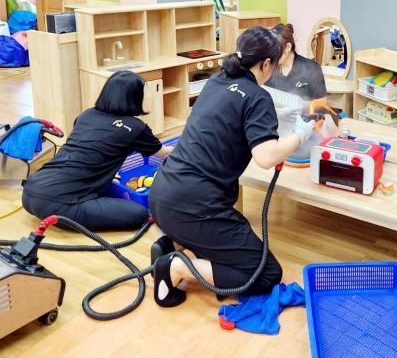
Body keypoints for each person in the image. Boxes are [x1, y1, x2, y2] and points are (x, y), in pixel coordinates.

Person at [147, 26, 316, 308]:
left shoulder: (217, 80)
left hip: (163, 194)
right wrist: (300, 134)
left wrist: (276, 113)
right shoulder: (257, 97)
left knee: (232, 244)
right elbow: (266, 157)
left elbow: (233, 109)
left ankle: (169, 245)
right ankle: (176, 266)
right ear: (266, 64)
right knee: (266, 274)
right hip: (194, 207)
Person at [22, 71, 173, 232]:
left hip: (30, 192)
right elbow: (164, 153)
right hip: (59, 204)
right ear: (135, 98)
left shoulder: (86, 115)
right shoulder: (135, 127)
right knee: (139, 214)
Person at [266, 23, 326, 102]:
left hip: (306, 110)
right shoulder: (270, 69)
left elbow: (321, 103)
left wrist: (303, 106)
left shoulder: (312, 68)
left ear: (288, 47)